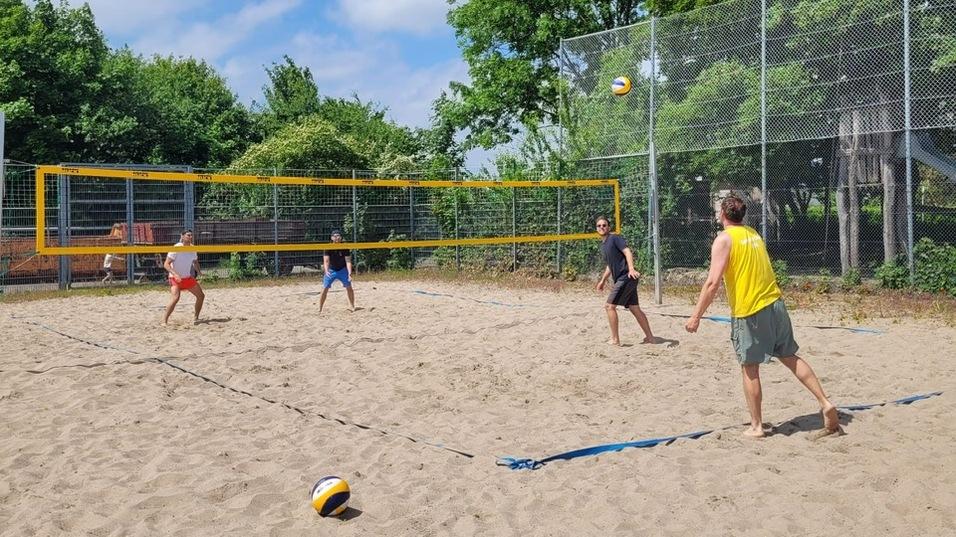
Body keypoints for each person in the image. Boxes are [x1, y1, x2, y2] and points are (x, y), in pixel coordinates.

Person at [685, 196, 839, 438]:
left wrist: (696, 316)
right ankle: (825, 402)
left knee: (749, 367)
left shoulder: (723, 239)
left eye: (718, 211)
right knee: (789, 356)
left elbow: (713, 282)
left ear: (723, 214)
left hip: (750, 310)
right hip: (775, 303)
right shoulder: (753, 234)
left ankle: (756, 426)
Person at [595, 216, 655, 346]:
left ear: (608, 227)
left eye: (604, 225)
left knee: (609, 306)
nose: (602, 227)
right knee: (634, 308)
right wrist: (602, 281)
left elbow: (627, 251)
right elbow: (610, 266)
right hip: (626, 279)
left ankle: (615, 339)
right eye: (599, 226)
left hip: (626, 277)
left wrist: (631, 269)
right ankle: (650, 337)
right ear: (596, 228)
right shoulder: (604, 246)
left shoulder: (614, 238)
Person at [163, 229, 205, 324]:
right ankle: (164, 321)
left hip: (187, 277)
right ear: (182, 236)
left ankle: (196, 317)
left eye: (191, 235)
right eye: (188, 235)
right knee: (175, 298)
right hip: (175, 278)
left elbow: (195, 262)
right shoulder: (176, 248)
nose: (190, 237)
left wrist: (199, 272)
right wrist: (175, 274)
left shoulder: (192, 248)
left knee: (201, 296)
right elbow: (166, 264)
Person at [319, 230, 355, 312]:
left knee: (349, 288)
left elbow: (348, 261)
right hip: (331, 270)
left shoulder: (344, 247)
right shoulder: (328, 247)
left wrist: (349, 273)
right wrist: (326, 271)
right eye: (335, 236)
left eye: (338, 236)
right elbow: (326, 261)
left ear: (341, 237)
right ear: (331, 238)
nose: (337, 238)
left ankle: (352, 306)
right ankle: (320, 308)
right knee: (325, 288)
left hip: (342, 270)